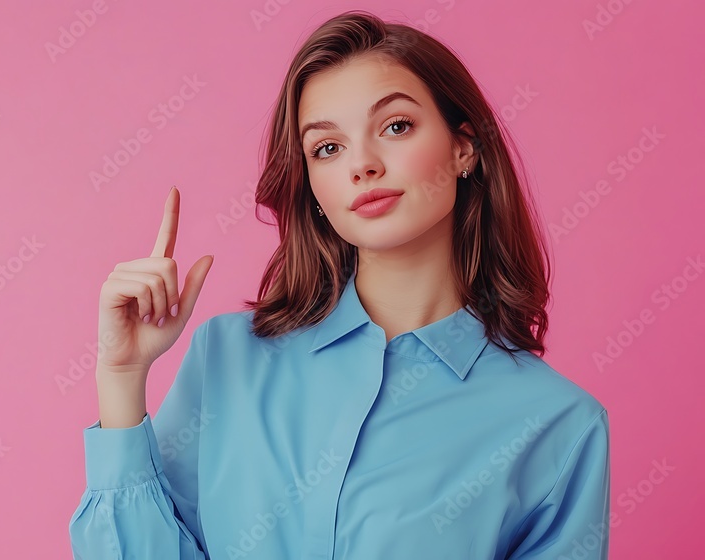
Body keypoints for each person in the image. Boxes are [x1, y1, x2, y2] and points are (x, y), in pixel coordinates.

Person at [68, 10, 610, 560]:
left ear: (463, 148)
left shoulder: (559, 423)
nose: (363, 166)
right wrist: (121, 378)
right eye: (328, 148)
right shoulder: (226, 359)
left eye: (396, 126)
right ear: (313, 189)